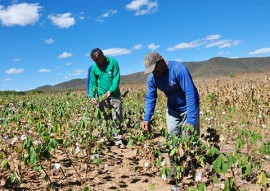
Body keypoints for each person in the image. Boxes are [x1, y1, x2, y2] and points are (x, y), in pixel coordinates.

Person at [141, 52, 200, 177]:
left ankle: (191, 167)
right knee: (171, 139)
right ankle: (174, 168)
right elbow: (151, 98)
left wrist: (191, 121)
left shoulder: (179, 70)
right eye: (151, 71)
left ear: (161, 61)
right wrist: (146, 118)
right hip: (173, 109)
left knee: (189, 139)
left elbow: (190, 94)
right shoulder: (152, 78)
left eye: (155, 69)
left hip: (188, 108)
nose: (154, 73)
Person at [89, 48, 124, 148]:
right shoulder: (94, 68)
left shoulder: (113, 62)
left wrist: (111, 90)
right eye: (94, 61)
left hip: (114, 95)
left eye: (97, 60)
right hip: (101, 97)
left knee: (117, 117)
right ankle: (108, 139)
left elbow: (116, 78)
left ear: (102, 55)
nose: (96, 62)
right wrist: (92, 96)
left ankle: (118, 140)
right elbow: (92, 84)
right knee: (105, 118)